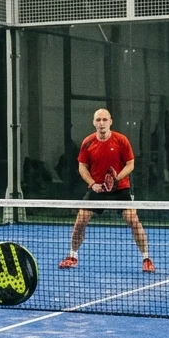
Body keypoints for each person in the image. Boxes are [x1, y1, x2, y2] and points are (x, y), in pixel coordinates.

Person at [58, 108, 154, 272]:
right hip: (97, 189)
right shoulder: (88, 142)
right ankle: (72, 256)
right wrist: (92, 183)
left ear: (110, 121)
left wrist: (117, 178)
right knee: (80, 220)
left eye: (104, 120)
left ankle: (146, 259)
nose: (101, 123)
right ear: (94, 122)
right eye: (98, 120)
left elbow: (130, 164)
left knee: (133, 220)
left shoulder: (121, 140)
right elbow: (82, 167)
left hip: (120, 188)